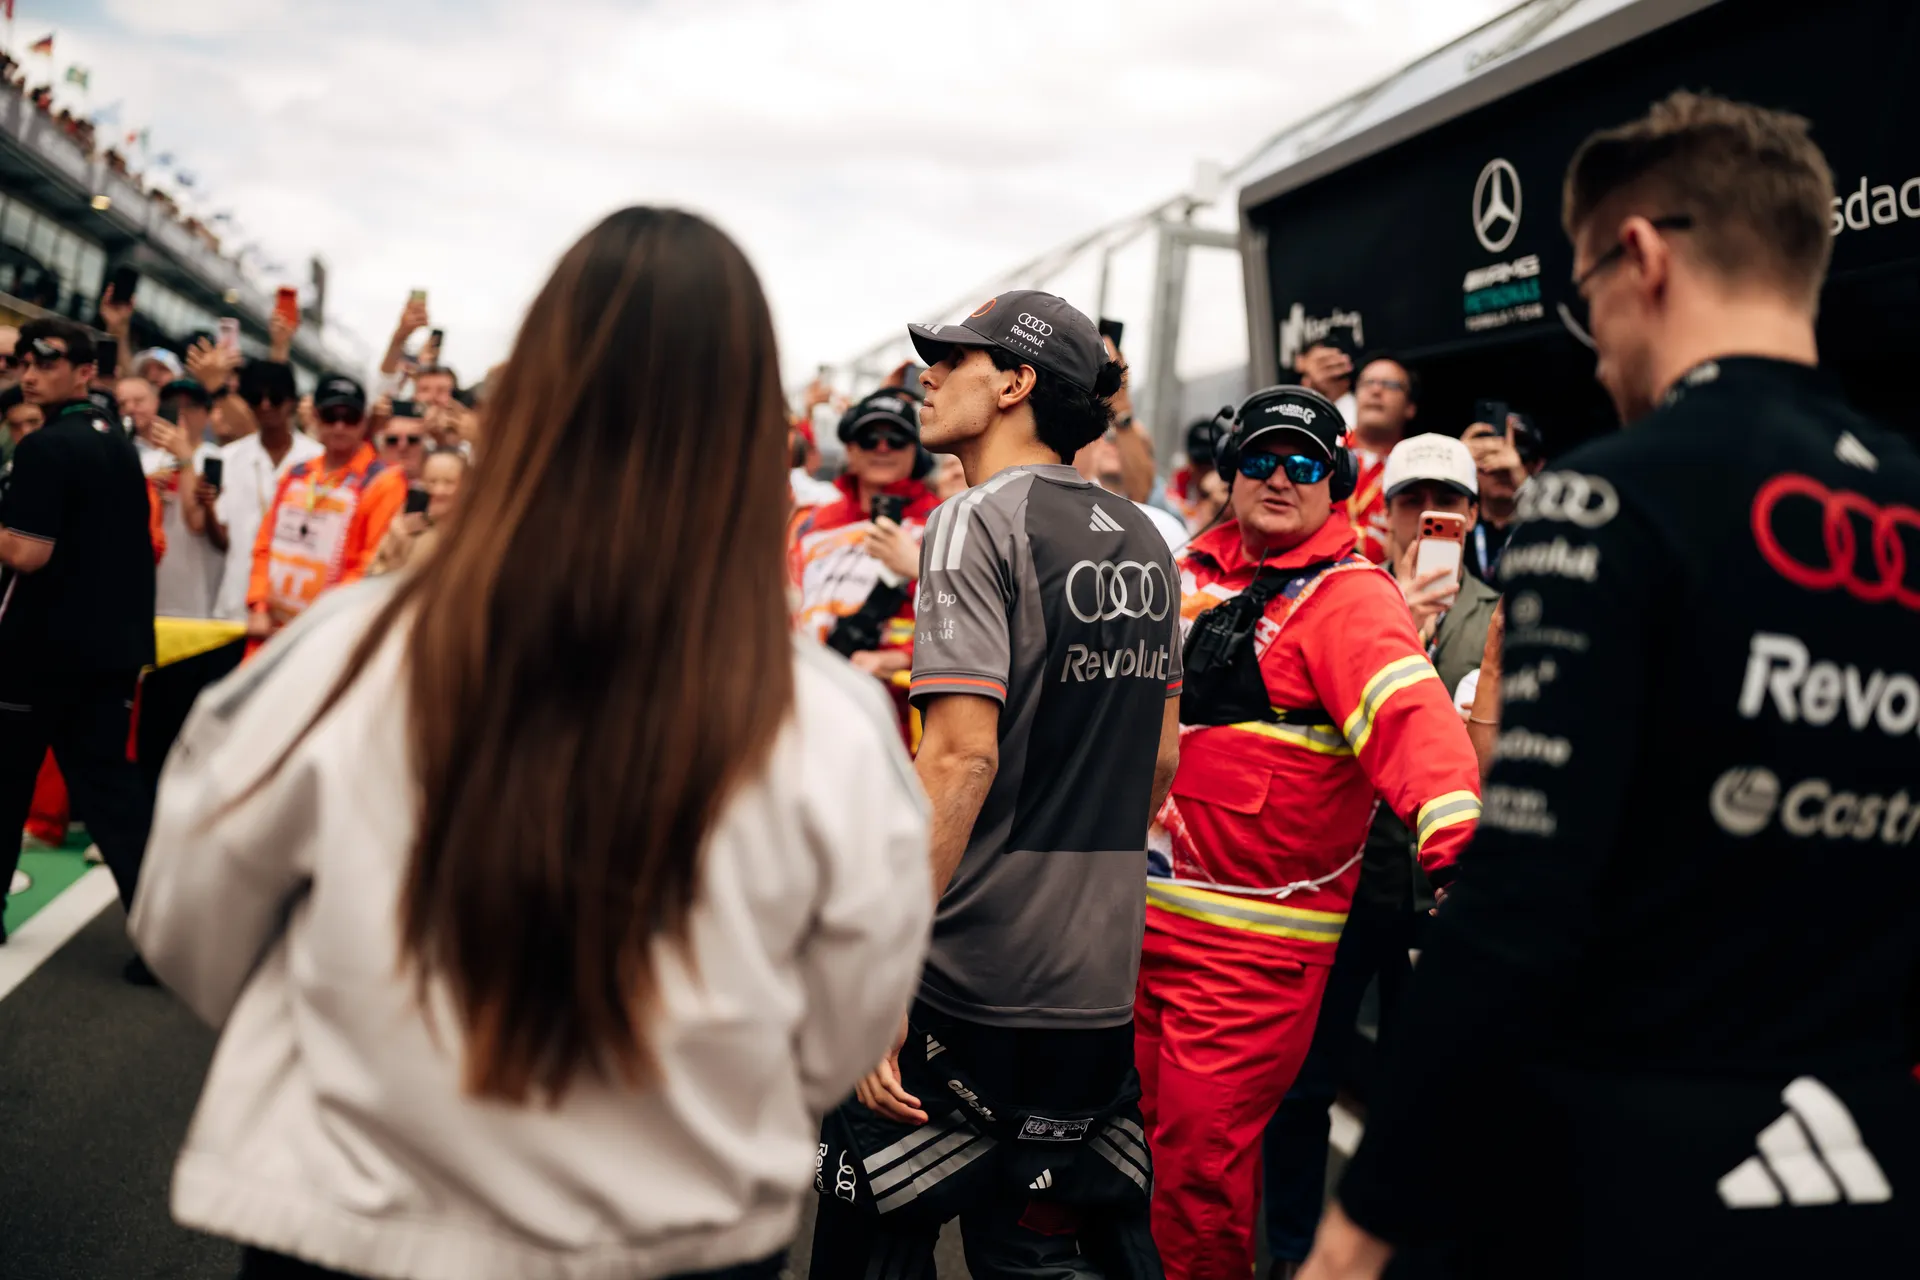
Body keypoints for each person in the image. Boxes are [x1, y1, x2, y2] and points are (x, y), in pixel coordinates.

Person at [130, 206, 932, 1280]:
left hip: (352, 1219)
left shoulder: (348, 655)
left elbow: (191, 923)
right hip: (673, 1239)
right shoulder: (828, 725)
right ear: (749, 429)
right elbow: (836, 1029)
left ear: (530, 403)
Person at [1305, 91, 1920, 1280]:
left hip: (1631, 1173)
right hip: (1872, 1165)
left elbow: (1524, 890)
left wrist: (1365, 1211)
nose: (1596, 348)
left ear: (1641, 257)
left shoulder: (1604, 499)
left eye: (1585, 299)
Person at [809, 290, 1180, 1277]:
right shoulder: (1148, 536)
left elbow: (960, 755)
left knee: (868, 1237)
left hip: (965, 976)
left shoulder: (971, 522)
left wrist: (888, 959)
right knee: (1038, 1251)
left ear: (1015, 383)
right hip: (1094, 987)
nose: (927, 376)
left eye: (952, 360)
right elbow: (1160, 759)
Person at [1136, 386, 1481, 1280]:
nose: (1280, 477)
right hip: (1134, 934)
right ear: (1229, 471)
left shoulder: (1351, 598)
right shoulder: (1181, 572)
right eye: (1260, 458)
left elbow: (1417, 724)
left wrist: (1462, 861)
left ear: (1335, 480)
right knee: (1123, 1160)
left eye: (1304, 462)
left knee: (1197, 1182)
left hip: (1250, 957)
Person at [1258, 431, 1495, 1277]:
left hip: (1444, 896)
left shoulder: (1503, 618)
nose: (1430, 516)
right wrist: (1404, 620)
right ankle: (1289, 1251)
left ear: (1472, 514)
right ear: (1381, 509)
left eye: (1451, 503)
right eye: (1410, 501)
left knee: (1434, 1091)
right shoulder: (1345, 603)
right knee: (1304, 1083)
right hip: (1345, 887)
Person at [0, 319, 156, 956]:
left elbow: (26, 554)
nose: (30, 371)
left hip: (38, 651)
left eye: (46, 359)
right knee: (113, 799)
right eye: (23, 359)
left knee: (5, 782)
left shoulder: (46, 446)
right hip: (109, 652)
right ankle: (162, 938)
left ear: (85, 370)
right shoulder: (116, 440)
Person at [789, 389, 939, 694]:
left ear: (916, 450)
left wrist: (902, 657)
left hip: (905, 712)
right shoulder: (810, 522)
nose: (882, 448)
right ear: (850, 449)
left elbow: (977, 623)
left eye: (896, 439)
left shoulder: (947, 520)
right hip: (811, 693)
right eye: (869, 438)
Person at [245, 374, 405, 642]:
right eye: (331, 416)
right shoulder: (297, 474)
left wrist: (324, 620)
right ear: (316, 418)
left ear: (364, 422)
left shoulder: (382, 481)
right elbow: (265, 546)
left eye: (350, 417)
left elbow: (371, 563)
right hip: (268, 633)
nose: (340, 426)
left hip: (329, 637)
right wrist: (258, 605)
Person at [208, 365, 322, 623]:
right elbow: (221, 539)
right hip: (236, 601)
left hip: (297, 606)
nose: (266, 406)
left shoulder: (318, 460)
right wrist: (206, 507)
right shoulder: (229, 457)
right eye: (256, 398)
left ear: (291, 402)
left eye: (275, 398)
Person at [146, 378, 223, 618]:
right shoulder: (145, 461)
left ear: (207, 414)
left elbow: (197, 524)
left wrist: (185, 458)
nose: (180, 414)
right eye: (172, 406)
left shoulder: (217, 460)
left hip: (196, 597)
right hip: (150, 594)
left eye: (190, 406)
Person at [1343, 356, 1420, 565]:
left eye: (1390, 385)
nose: (1376, 391)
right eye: (1368, 382)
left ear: (1410, 407)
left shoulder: (1417, 469)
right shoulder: (1324, 454)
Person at [1460, 411, 1546, 584]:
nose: (1502, 466)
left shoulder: (1543, 530)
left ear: (1538, 466)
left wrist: (1523, 483)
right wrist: (1456, 461)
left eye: (1520, 455)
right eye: (1488, 455)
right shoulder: (1457, 519)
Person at [369, 447, 468, 576]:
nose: (438, 490)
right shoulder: (404, 527)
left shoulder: (474, 531)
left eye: (449, 483)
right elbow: (375, 574)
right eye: (432, 482)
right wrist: (398, 544)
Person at [376, 399, 431, 484]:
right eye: (393, 440)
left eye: (412, 439)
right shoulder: (365, 489)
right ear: (381, 447)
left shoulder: (441, 492)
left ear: (425, 445)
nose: (403, 446)